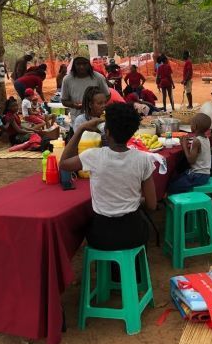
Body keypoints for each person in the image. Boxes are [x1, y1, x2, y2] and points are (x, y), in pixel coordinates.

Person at [59, 103, 157, 251]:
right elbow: (152, 205)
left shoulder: (93, 155)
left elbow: (64, 164)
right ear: (132, 133)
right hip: (134, 233)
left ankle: (108, 270)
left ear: (107, 132)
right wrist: (132, 201)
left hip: (102, 235)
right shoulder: (144, 159)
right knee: (139, 227)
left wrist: (80, 129)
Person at [167, 113, 212, 194]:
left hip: (198, 175)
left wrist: (184, 145)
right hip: (204, 174)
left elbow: (191, 160)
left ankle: (180, 202)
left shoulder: (196, 141)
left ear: (195, 126)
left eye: (191, 123)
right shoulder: (206, 138)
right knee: (176, 178)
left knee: (173, 187)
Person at [61, 56, 110, 123]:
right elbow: (64, 100)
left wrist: (96, 106)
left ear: (89, 65)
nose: (81, 66)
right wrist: (74, 105)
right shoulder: (67, 79)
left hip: (97, 119)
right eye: (78, 64)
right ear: (74, 65)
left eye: (84, 64)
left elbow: (107, 95)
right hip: (76, 118)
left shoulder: (98, 77)